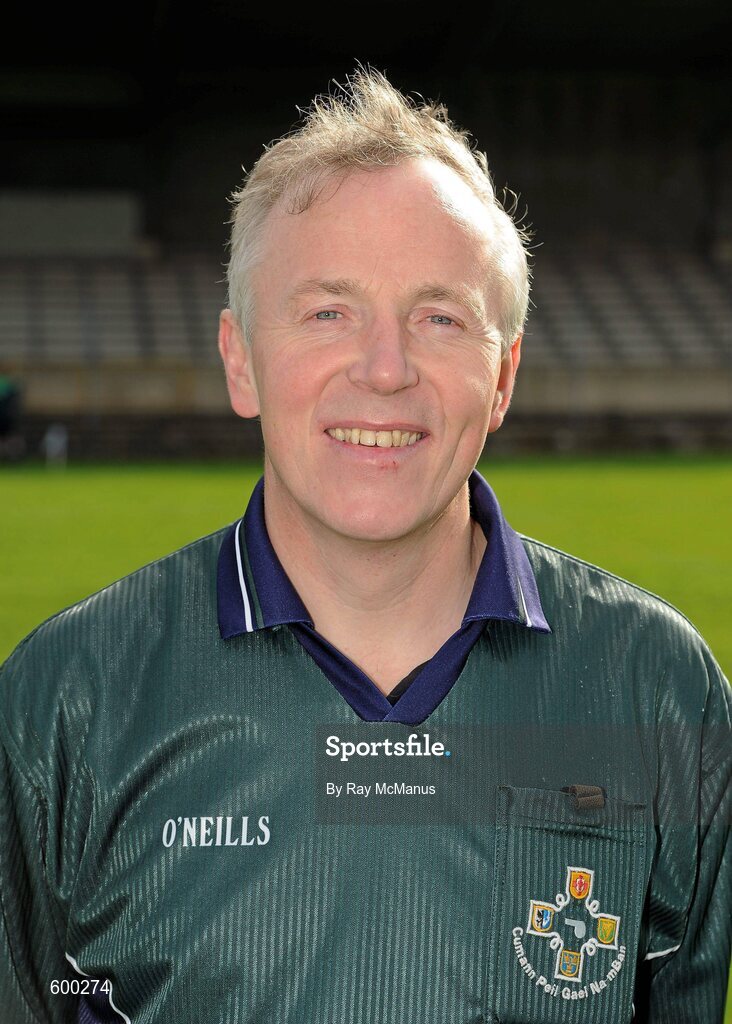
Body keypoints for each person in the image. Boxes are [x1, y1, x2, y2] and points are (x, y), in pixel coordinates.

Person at [0, 68, 729, 1024]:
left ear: (502, 376)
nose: (385, 371)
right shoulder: (67, 698)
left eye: (439, 318)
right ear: (240, 359)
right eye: (327, 312)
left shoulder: (658, 689)